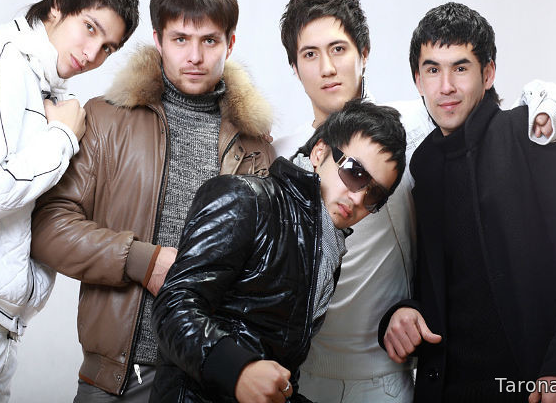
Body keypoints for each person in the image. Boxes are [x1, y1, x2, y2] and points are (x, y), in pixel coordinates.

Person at [273, 0, 556, 403]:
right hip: (303, 372)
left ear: (364, 53)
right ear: (294, 66)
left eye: (338, 49)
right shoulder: (280, 154)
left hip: (385, 377)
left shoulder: (411, 132)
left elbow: (486, 104)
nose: (327, 68)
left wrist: (549, 106)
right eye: (310, 54)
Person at [30, 0, 275, 401]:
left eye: (209, 41)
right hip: (117, 380)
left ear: (230, 43)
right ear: (159, 40)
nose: (195, 56)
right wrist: (141, 260)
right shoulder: (105, 119)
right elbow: (48, 228)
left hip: (211, 379)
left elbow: (264, 275)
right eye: (180, 39)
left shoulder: (256, 147)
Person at [379, 2, 556, 403]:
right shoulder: (423, 164)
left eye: (460, 68)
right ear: (418, 80)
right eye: (433, 70)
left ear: (488, 73)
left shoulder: (533, 133)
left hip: (532, 385)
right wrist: (402, 313)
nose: (446, 86)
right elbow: (438, 284)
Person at [0, 0, 139, 402]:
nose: (92, 54)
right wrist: (62, 136)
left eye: (108, 47)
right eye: (90, 28)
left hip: (0, 322)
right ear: (57, 6)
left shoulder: (52, 91)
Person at [150, 99, 406, 403]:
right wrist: (238, 371)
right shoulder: (247, 198)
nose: (358, 197)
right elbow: (173, 306)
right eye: (355, 173)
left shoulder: (327, 246)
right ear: (319, 152)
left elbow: (277, 356)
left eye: (374, 194)